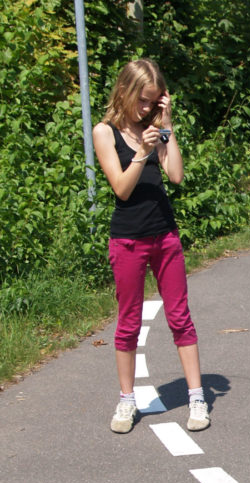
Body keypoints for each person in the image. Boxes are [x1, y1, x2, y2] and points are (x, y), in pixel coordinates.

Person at [93, 58, 209, 433]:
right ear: (125, 91)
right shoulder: (104, 132)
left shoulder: (156, 129)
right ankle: (127, 401)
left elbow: (175, 176)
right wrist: (142, 151)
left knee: (180, 317)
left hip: (165, 234)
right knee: (128, 322)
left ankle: (196, 396)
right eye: (142, 101)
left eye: (154, 101)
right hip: (127, 238)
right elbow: (121, 189)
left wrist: (166, 126)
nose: (146, 108)